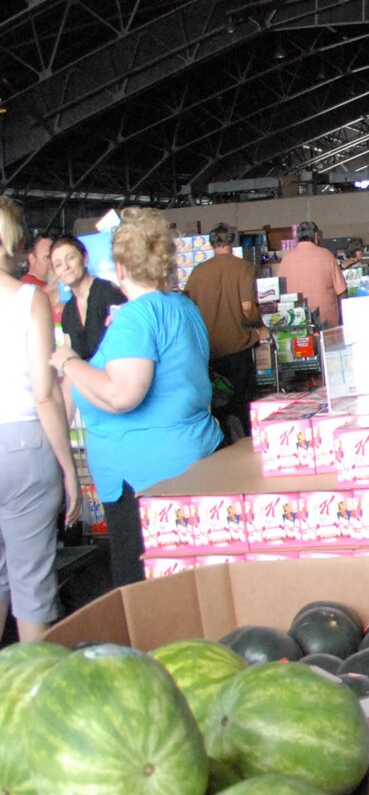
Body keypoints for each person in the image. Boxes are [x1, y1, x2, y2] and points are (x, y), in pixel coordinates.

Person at [51, 209, 222, 590]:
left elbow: (121, 395)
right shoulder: (181, 306)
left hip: (144, 477)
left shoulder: (137, 318)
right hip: (188, 459)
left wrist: (70, 362)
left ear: (120, 268)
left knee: (148, 591)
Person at [0, 200, 79, 640]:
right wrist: (68, 470)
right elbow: (45, 393)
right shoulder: (28, 300)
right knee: (30, 583)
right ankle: (29, 695)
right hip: (23, 446)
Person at [184, 224, 266, 440]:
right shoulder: (243, 268)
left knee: (218, 402)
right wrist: (259, 327)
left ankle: (224, 441)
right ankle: (246, 442)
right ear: (232, 242)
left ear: (212, 244)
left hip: (208, 350)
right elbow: (247, 306)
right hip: (238, 345)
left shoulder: (198, 272)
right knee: (242, 402)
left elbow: (188, 306)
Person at [50, 235, 126, 362]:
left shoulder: (109, 293)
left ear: (85, 259)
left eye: (71, 258)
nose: (65, 267)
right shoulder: (68, 311)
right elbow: (70, 360)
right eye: (58, 264)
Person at [276, 220, 347, 329]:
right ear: (316, 236)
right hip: (327, 323)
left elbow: (280, 294)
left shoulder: (286, 260)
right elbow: (342, 291)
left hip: (296, 323)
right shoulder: (326, 255)